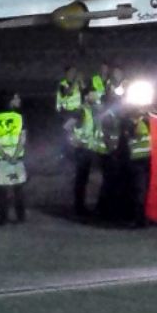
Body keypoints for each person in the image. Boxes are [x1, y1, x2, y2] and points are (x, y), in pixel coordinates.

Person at [0, 92, 27, 225]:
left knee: (1, 189)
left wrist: (4, 156)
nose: (19, 100)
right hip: (17, 158)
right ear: (10, 101)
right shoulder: (20, 118)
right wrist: (15, 156)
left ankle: (2, 217)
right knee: (18, 187)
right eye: (16, 98)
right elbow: (22, 140)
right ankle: (20, 215)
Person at [68, 89, 104, 218]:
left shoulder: (94, 110)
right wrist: (74, 140)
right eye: (93, 94)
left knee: (85, 178)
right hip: (82, 149)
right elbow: (67, 127)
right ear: (86, 96)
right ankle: (79, 207)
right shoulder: (81, 110)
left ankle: (82, 206)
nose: (96, 96)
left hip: (91, 148)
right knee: (81, 179)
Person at [126, 109, 151, 227]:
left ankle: (144, 217)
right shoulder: (130, 124)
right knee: (139, 190)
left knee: (144, 190)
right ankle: (138, 219)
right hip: (137, 161)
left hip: (147, 160)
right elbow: (136, 132)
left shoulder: (145, 122)